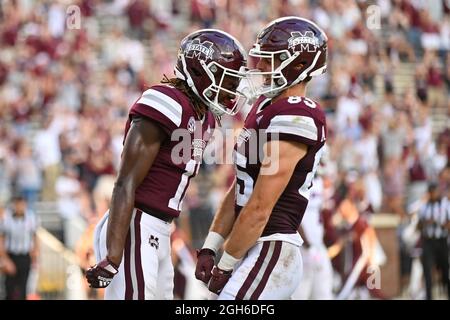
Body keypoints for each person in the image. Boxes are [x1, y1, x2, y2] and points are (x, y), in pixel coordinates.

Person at [85, 29, 248, 300]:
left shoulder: (203, 115)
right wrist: (114, 255)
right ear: (200, 71)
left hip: (160, 228)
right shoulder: (166, 101)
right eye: (227, 79)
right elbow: (126, 181)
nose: (231, 89)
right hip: (135, 224)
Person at [195, 16, 328, 299]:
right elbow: (241, 188)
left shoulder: (297, 113)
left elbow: (259, 208)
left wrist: (226, 264)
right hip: (251, 245)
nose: (262, 67)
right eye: (263, 58)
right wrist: (211, 245)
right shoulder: (265, 106)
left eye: (272, 59)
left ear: (299, 64)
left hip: (272, 246)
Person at [0, 195, 39, 300]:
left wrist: (35, 258)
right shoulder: (7, 219)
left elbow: (35, 238)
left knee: (23, 290)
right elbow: (1, 240)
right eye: (18, 204)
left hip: (25, 257)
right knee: (9, 289)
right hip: (11, 256)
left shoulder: (31, 218)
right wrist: (5, 260)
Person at [418, 182, 450, 300]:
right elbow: (418, 226)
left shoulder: (446, 205)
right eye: (431, 193)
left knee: (445, 271)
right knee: (427, 271)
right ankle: (429, 296)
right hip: (428, 242)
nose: (433, 195)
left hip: (441, 241)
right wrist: (426, 222)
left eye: (434, 192)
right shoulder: (424, 207)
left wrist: (441, 224)